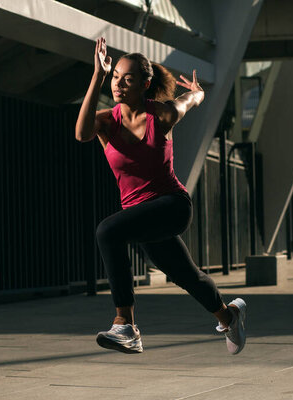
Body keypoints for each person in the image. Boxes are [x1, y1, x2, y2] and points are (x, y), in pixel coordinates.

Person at [75, 37, 247, 355]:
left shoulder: (162, 115)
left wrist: (197, 92)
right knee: (188, 277)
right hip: (141, 215)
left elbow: (189, 101)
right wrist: (97, 74)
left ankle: (125, 324)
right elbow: (81, 134)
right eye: (116, 77)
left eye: (128, 79)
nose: (120, 84)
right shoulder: (105, 122)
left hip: (171, 206)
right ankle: (229, 316)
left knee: (107, 231)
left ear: (145, 83)